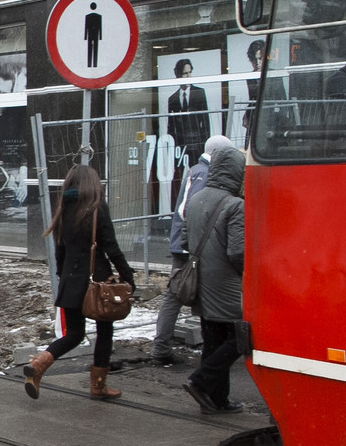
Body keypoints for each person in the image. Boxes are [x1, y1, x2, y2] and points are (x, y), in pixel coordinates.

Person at [25, 164, 135, 401]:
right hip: (97, 282)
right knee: (105, 330)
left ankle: (39, 364)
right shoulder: (96, 208)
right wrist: (128, 277)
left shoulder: (64, 208)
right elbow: (111, 248)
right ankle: (98, 386)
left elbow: (60, 251)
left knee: (74, 334)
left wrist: (63, 278)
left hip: (70, 280)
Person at [151, 135, 234, 366]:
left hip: (185, 245)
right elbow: (190, 211)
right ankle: (163, 349)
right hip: (191, 247)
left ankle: (162, 348)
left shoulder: (195, 170)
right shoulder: (207, 174)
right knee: (178, 294)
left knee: (177, 294)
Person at [181, 146, 246, 415]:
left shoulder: (195, 199)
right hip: (227, 283)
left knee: (214, 340)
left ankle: (216, 399)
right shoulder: (235, 204)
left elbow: (185, 240)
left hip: (202, 282)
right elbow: (238, 251)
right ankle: (201, 380)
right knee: (240, 338)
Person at [167, 59, 211, 160]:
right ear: (178, 76)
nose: (188, 76)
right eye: (185, 73)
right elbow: (171, 126)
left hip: (197, 142)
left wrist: (205, 145)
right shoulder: (172, 99)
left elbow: (205, 121)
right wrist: (172, 147)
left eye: (190, 72)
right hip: (180, 144)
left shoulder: (199, 93)